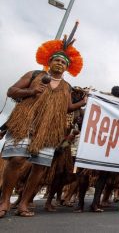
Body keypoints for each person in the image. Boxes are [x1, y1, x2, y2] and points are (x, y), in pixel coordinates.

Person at [0, 22, 86, 218]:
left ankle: (23, 204)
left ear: (67, 67)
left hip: (49, 130)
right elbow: (12, 91)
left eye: (63, 62)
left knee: (40, 167)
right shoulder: (35, 75)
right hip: (26, 123)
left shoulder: (66, 86)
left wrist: (82, 102)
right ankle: (4, 200)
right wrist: (31, 91)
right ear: (49, 61)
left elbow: (66, 109)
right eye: (56, 60)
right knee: (17, 160)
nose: (59, 63)